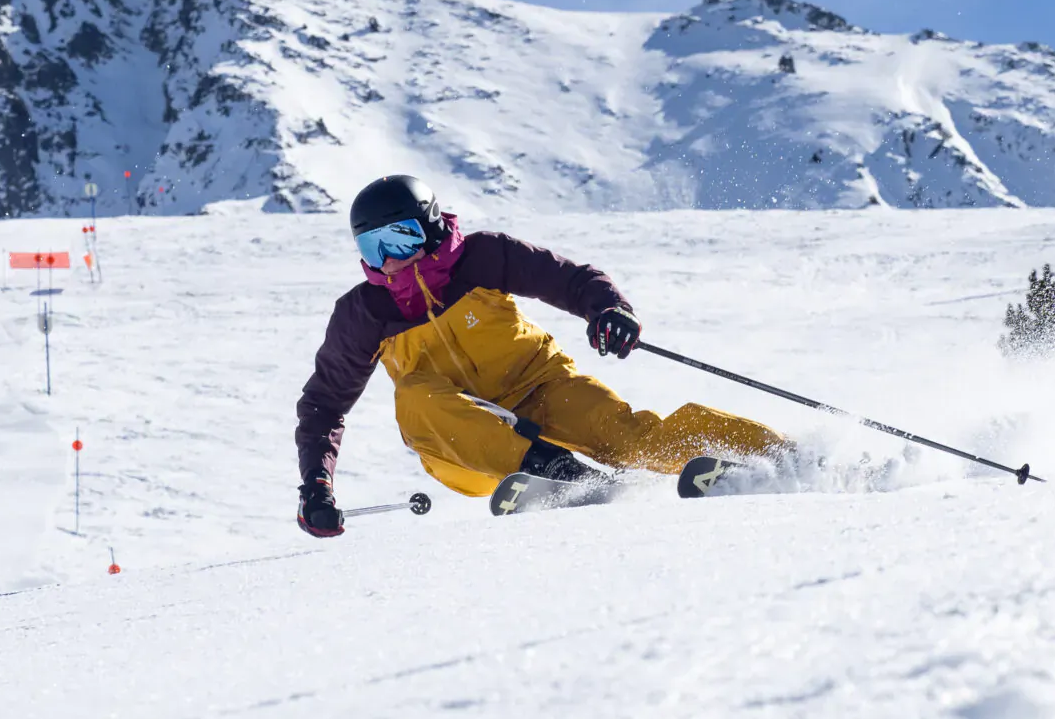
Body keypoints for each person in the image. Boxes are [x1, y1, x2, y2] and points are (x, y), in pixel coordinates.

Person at [295, 175, 789, 537]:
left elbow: (569, 279)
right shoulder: (363, 314)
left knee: (630, 438)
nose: (389, 260)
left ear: (429, 226)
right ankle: (554, 471)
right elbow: (323, 406)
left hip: (541, 387)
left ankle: (779, 455)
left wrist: (609, 310)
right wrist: (316, 485)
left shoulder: (483, 257)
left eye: (398, 238)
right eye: (372, 246)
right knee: (415, 395)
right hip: (462, 442)